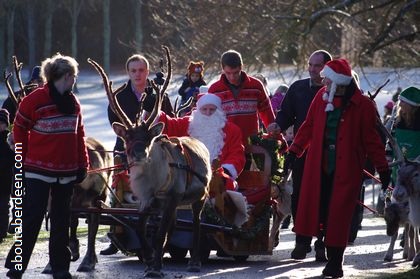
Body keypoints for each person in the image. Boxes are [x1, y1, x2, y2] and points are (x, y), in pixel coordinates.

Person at [287, 58, 390, 278]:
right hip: (319, 166)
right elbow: (308, 127)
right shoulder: (321, 99)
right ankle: (316, 245)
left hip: (346, 169)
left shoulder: (362, 105)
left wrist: (383, 168)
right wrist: (294, 151)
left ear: (339, 83)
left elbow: (371, 140)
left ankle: (335, 262)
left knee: (340, 215)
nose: (323, 83)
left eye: (327, 80)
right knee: (319, 208)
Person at [4, 53, 89, 279]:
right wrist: (21, 159)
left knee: (61, 222)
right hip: (38, 172)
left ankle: (60, 268)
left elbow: (79, 135)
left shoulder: (74, 103)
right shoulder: (34, 100)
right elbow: (19, 128)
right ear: (66, 76)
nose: (74, 80)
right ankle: (17, 266)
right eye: (74, 76)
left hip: (67, 172)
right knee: (32, 218)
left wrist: (83, 164)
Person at [274, 49, 332, 261]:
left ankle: (322, 243)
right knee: (299, 196)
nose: (312, 69)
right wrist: (276, 126)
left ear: (327, 67)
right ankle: (302, 241)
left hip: (327, 155)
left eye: (317, 65)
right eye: (310, 64)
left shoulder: (334, 92)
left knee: (325, 197)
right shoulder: (298, 88)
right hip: (302, 152)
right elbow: (286, 114)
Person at [208, 49, 275, 145]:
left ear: (241, 67)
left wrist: (276, 136)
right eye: (228, 73)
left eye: (235, 73)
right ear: (222, 69)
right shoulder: (214, 90)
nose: (232, 77)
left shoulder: (256, 86)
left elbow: (267, 112)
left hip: (252, 143)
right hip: (226, 145)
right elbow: (208, 117)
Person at [0, 108, 14, 243]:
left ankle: (1, 232)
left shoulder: (9, 140)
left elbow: (14, 158)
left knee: (3, 206)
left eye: (2, 123)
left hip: (4, 180)